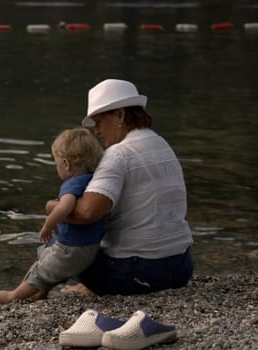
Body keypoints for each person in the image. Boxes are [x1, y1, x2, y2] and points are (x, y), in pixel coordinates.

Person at [47, 79, 194, 296]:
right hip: (181, 268)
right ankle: (92, 285)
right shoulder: (162, 144)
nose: (96, 131)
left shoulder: (118, 154)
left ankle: (42, 286)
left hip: (140, 273)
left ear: (120, 115)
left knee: (54, 238)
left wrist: (52, 207)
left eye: (98, 122)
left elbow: (87, 213)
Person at [0, 128, 105, 304]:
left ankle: (13, 296)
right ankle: (41, 292)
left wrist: (48, 225)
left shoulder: (72, 184)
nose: (56, 167)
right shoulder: (95, 180)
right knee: (47, 255)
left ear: (66, 164)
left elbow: (64, 207)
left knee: (41, 270)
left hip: (71, 249)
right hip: (91, 248)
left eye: (56, 163)